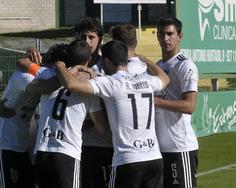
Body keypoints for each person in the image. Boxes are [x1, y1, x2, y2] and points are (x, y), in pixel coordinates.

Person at [54, 40, 170, 188]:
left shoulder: (111, 83)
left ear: (107, 61)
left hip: (128, 160)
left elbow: (71, 85)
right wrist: (145, 59)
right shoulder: (146, 81)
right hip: (154, 158)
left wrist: (60, 66)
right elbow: (165, 79)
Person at [31, 40, 109, 188]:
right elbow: (101, 128)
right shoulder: (88, 88)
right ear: (89, 60)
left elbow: (32, 86)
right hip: (66, 153)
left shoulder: (50, 77)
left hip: (42, 150)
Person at [155, 16, 199, 188]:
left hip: (180, 148)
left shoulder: (185, 66)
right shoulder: (158, 66)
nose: (165, 39)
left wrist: (156, 102)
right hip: (159, 149)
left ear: (180, 36)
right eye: (161, 34)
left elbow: (189, 106)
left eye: (170, 34)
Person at [0, 58, 42, 188]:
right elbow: (21, 62)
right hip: (6, 146)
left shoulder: (49, 86)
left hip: (27, 149)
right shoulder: (23, 78)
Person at [75, 17, 113, 188]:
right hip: (77, 146)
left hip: (103, 143)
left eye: (91, 37)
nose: (87, 42)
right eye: (83, 37)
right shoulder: (70, 65)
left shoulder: (107, 66)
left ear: (100, 40)